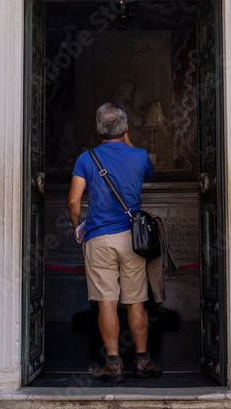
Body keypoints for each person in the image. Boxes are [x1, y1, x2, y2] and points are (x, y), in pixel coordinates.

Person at [67, 102, 163, 383]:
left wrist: (77, 227)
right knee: (136, 302)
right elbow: (146, 170)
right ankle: (143, 361)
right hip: (132, 239)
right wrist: (128, 137)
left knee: (107, 302)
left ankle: (113, 364)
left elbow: (74, 201)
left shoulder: (87, 159)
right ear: (125, 128)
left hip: (99, 238)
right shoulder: (140, 156)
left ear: (98, 129)